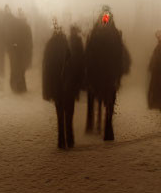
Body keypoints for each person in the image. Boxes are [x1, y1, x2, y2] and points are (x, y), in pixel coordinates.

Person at [84, 8, 130, 141]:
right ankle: (102, 126)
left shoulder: (112, 34)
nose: (105, 19)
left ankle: (107, 127)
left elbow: (119, 55)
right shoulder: (99, 33)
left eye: (107, 17)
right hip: (101, 73)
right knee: (104, 98)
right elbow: (89, 54)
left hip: (109, 73)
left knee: (109, 100)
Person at [42, 23, 77, 149]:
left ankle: (61, 140)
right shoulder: (68, 46)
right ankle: (70, 139)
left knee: (59, 114)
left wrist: (49, 89)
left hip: (56, 87)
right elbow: (73, 66)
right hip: (67, 86)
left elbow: (46, 69)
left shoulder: (49, 46)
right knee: (69, 114)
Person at [9, 7, 33, 94]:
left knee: (18, 70)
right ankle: (20, 87)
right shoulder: (25, 27)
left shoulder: (19, 27)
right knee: (20, 70)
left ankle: (18, 87)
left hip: (19, 52)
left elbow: (13, 39)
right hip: (21, 52)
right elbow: (29, 41)